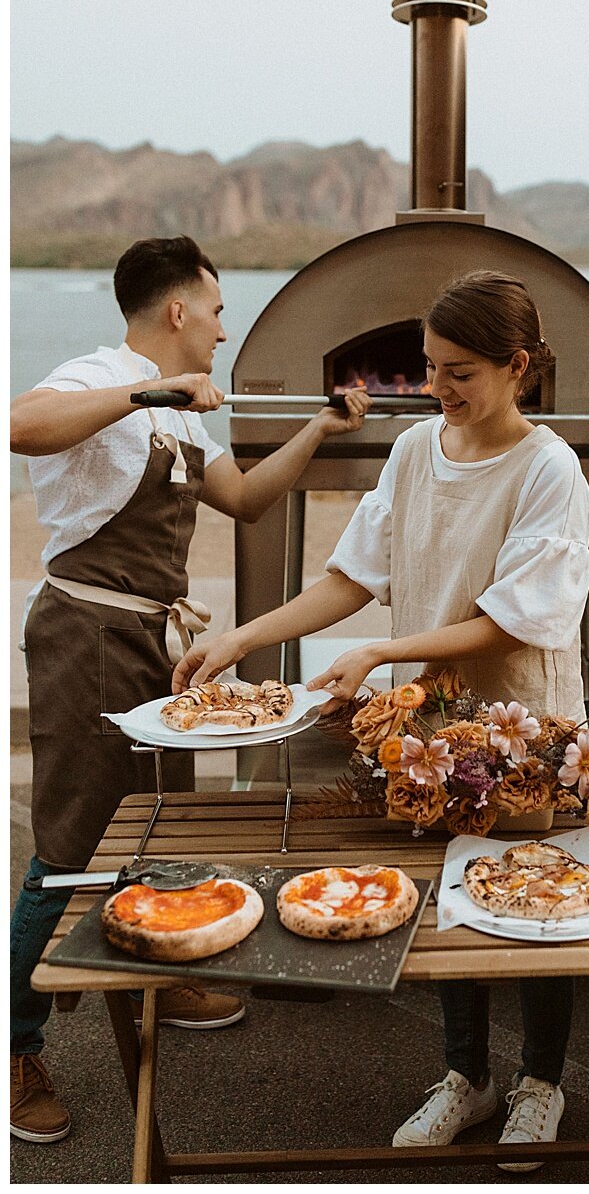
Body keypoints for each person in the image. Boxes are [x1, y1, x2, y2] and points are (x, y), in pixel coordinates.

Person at [174, 269, 589, 1170]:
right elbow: (349, 578)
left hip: (524, 717)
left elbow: (512, 616)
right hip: (432, 720)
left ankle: (542, 1083)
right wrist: (244, 639)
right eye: (431, 367)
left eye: (461, 372)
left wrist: (379, 654)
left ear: (517, 366)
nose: (437, 389)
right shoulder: (413, 451)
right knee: (444, 889)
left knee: (532, 898)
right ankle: (468, 1077)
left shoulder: (549, 468)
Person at [9, 235, 369, 1143]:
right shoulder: (102, 373)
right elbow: (20, 424)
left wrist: (319, 431)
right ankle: (16, 1046)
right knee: (70, 840)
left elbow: (245, 499)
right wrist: (146, 390)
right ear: (177, 310)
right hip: (86, 635)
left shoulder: (186, 416)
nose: (220, 328)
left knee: (160, 824)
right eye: (214, 310)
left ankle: (159, 977)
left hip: (151, 638)